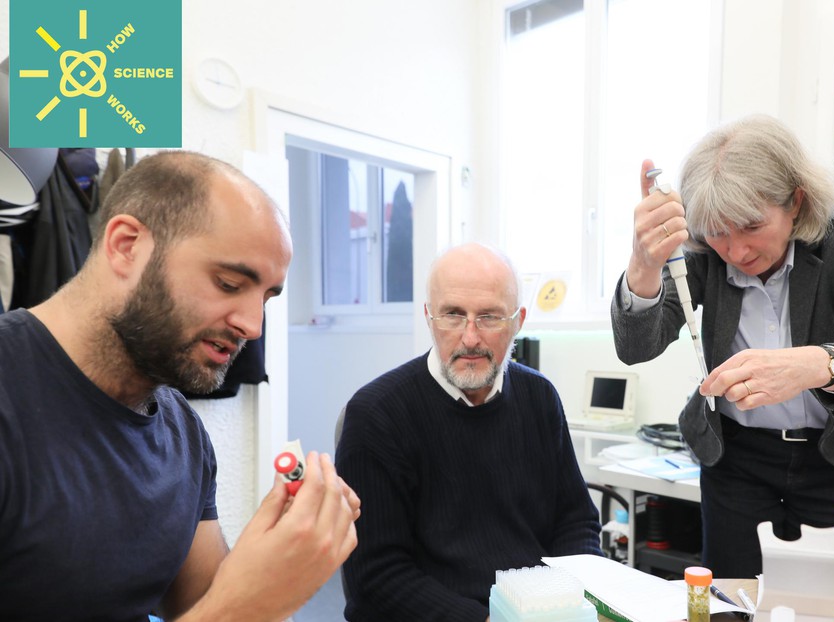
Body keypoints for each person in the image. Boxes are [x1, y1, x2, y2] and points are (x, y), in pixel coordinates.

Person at [0, 151, 361, 621]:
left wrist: (276, 557)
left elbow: (202, 604)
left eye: (267, 297)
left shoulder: (181, 430)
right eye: (230, 283)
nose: (253, 326)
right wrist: (247, 603)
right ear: (127, 246)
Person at [611, 114, 834, 578]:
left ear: (795, 202)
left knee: (828, 603)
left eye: (751, 226)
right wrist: (644, 264)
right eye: (718, 232)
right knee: (731, 601)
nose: (735, 251)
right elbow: (638, 346)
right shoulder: (701, 247)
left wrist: (818, 365)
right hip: (735, 461)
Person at [337, 243, 601, 621]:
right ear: (429, 318)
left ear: (518, 321)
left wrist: (569, 600)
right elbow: (377, 577)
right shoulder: (377, 415)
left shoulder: (539, 397)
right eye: (453, 315)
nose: (471, 337)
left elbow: (576, 522)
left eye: (490, 317)